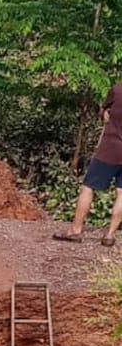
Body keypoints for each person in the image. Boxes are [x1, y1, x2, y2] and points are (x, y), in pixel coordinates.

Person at [54, 82, 122, 246]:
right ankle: (109, 235)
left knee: (88, 187)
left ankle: (75, 231)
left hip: (110, 148)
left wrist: (105, 112)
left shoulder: (118, 90)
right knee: (121, 192)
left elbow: (103, 111)